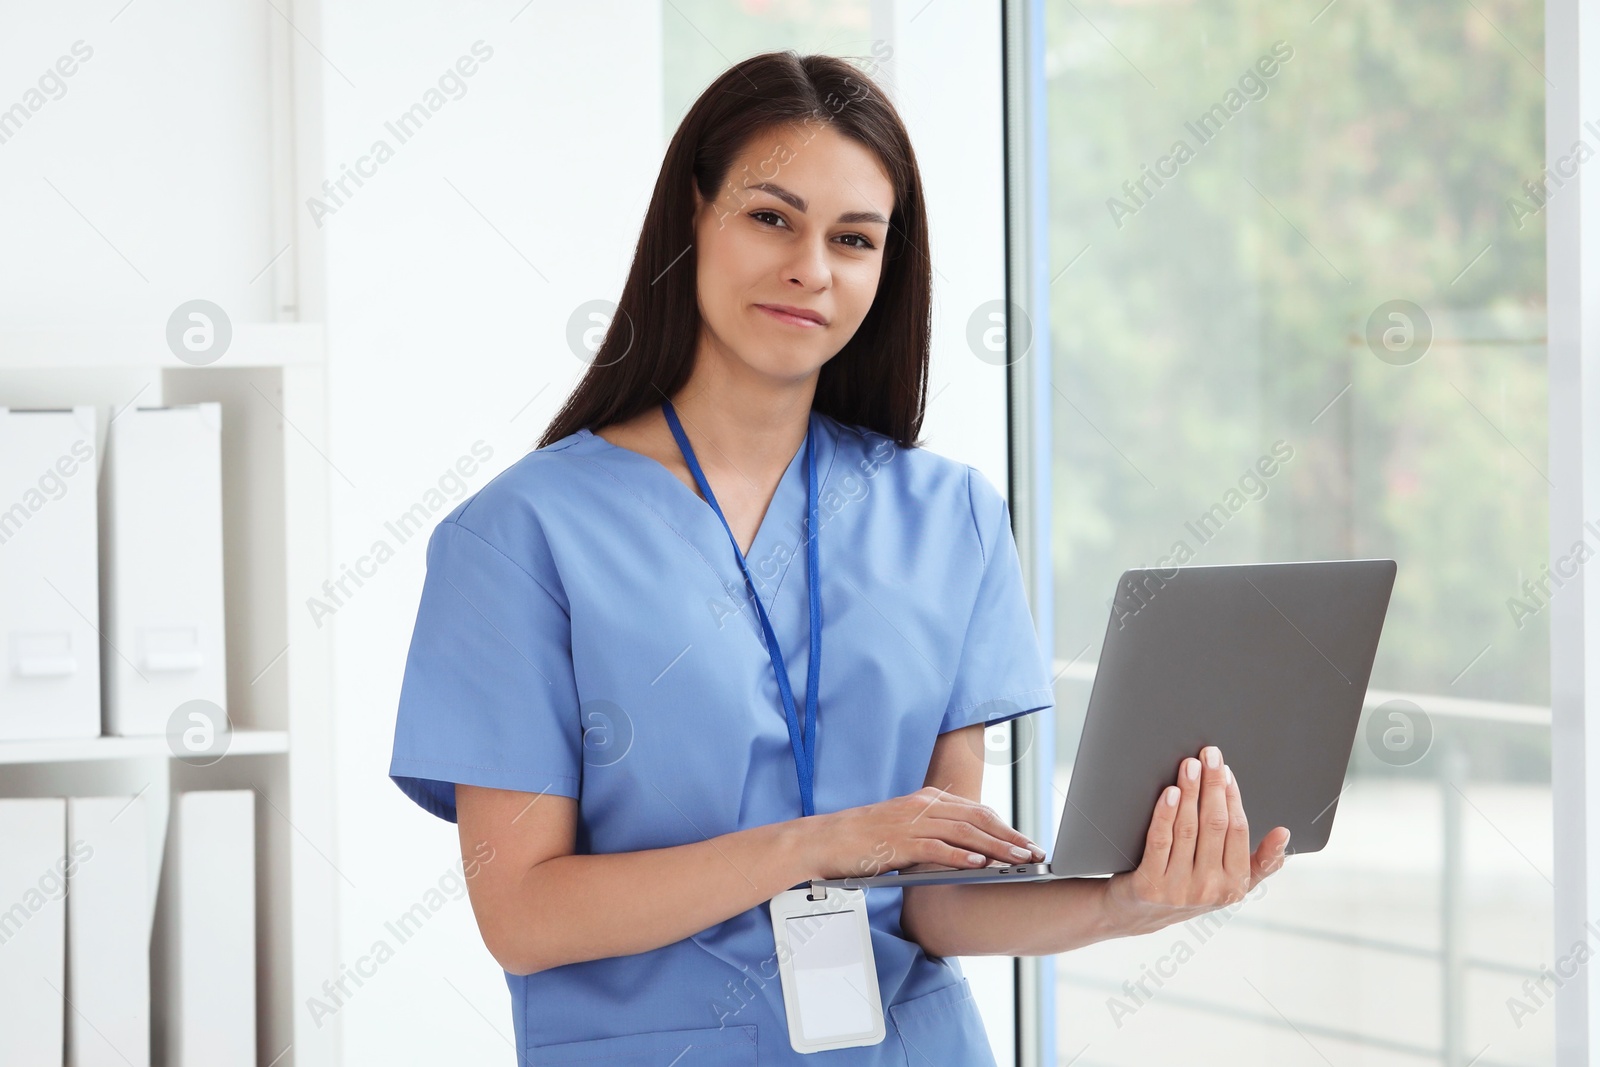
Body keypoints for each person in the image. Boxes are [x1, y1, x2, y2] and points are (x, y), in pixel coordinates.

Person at [387, 49, 1291, 1066]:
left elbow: (933, 907)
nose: (810, 267)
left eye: (853, 238)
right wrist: (817, 845)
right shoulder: (520, 535)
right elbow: (523, 911)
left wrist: (1127, 903)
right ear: (692, 217)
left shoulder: (949, 514)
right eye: (770, 216)